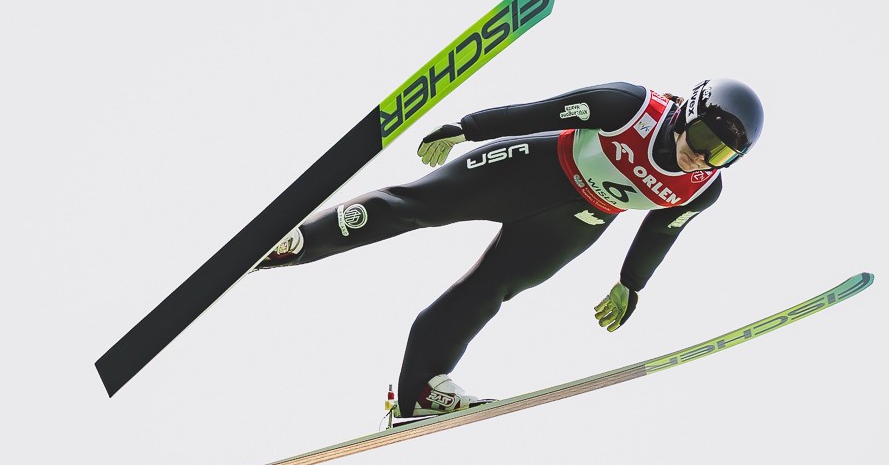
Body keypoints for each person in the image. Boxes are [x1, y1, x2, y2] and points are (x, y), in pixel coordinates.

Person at [255, 79, 764, 417]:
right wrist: (468, 128)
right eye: (703, 137)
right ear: (688, 111)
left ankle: (419, 393)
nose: (701, 156)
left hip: (575, 222)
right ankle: (296, 241)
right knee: (417, 206)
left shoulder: (703, 188)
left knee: (491, 289)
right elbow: (544, 111)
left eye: (721, 153)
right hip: (531, 169)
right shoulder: (631, 107)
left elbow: (660, 231)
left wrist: (631, 284)